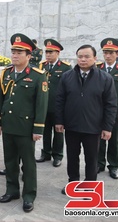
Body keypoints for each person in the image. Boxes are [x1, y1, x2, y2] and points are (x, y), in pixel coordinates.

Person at [0, 33, 48, 213]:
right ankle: (12, 190)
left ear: (29, 55)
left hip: (26, 128)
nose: (15, 55)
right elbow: (0, 98)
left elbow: (41, 105)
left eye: (19, 52)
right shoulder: (7, 73)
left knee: (28, 164)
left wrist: (38, 128)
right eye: (13, 51)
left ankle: (29, 196)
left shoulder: (38, 76)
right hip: (8, 125)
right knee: (10, 162)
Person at [56, 44, 116, 195]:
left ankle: (90, 187)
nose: (83, 59)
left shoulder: (105, 78)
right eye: (80, 56)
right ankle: (73, 183)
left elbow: (110, 105)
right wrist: (59, 121)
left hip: (93, 127)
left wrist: (107, 127)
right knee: (72, 158)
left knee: (91, 159)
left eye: (87, 56)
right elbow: (59, 100)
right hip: (71, 126)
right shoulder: (67, 77)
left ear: (95, 58)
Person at [35, 39, 71, 167]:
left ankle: (57, 155)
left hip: (58, 106)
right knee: (45, 131)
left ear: (58, 53)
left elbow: (68, 88)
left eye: (51, 52)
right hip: (45, 106)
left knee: (58, 131)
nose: (48, 55)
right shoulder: (42, 66)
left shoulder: (66, 67)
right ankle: (46, 153)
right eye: (46, 52)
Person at [97, 38, 118, 179]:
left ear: (117, 53)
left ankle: (114, 166)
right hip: (98, 111)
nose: (108, 56)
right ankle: (99, 163)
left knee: (114, 140)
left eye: (111, 53)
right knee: (99, 139)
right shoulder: (97, 68)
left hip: (116, 112)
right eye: (105, 52)